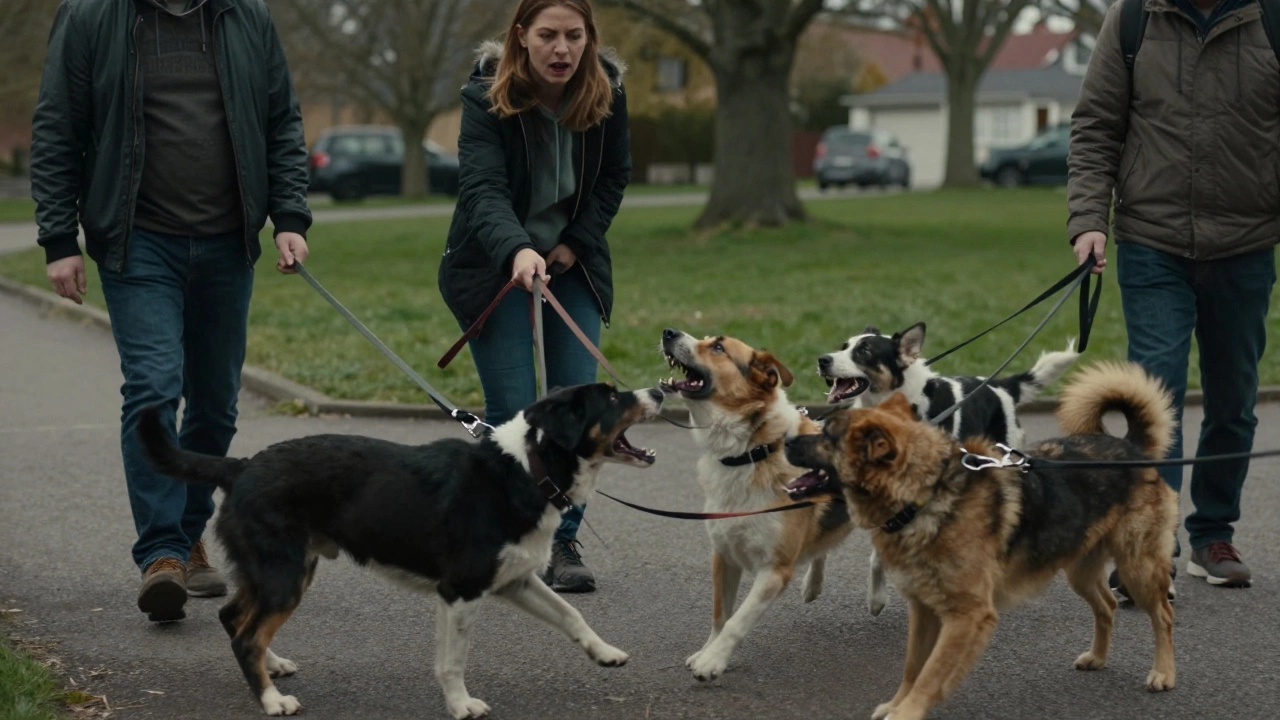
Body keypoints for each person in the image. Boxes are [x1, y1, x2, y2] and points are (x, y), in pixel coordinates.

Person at [31, 0, 312, 622]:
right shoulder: (90, 17)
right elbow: (57, 127)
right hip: (136, 240)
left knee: (215, 403)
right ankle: (160, 554)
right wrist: (58, 238)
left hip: (226, 242)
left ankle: (187, 534)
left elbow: (280, 121)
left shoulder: (246, 17)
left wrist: (289, 216)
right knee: (154, 384)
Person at [1067, 0, 1276, 592]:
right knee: (1154, 395)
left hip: (1247, 242)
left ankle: (1212, 534)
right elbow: (1096, 124)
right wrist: (1088, 219)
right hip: (1152, 242)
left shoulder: (1271, 20)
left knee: (1234, 398)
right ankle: (1150, 545)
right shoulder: (1133, 19)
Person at [437, 0, 630, 593]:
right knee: (517, 413)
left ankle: (562, 541)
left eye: (574, 36)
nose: (562, 49)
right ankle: (510, 535)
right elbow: (482, 190)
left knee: (581, 412)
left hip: (571, 265)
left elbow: (612, 180)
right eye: (548, 35)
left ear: (589, 39)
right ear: (521, 37)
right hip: (496, 264)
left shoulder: (608, 96)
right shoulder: (484, 99)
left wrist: (573, 243)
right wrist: (517, 250)